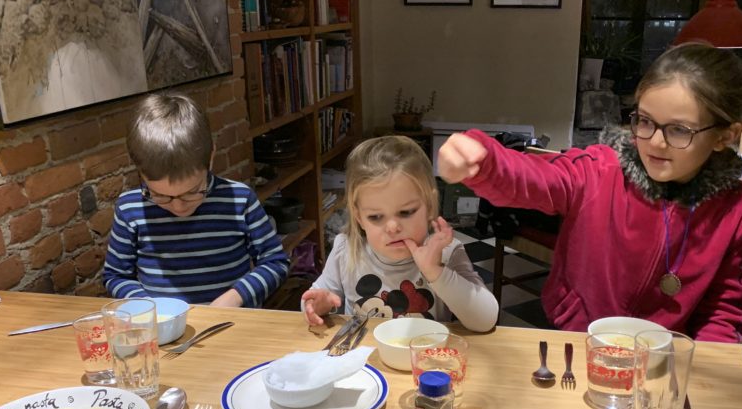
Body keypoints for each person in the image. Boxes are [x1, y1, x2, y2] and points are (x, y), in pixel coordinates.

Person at [437, 42, 742, 343]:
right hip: (581, 337)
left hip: (667, 355)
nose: (655, 141)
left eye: (679, 130)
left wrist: (706, 366)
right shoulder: (600, 170)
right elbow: (536, 177)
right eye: (645, 121)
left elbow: (724, 309)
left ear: (724, 136)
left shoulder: (737, 210)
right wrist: (484, 160)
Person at [104, 92, 290, 307]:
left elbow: (275, 262)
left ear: (210, 158)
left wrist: (235, 297)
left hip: (230, 320)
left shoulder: (239, 200)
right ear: (140, 172)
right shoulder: (130, 208)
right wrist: (147, 305)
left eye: (192, 192)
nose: (178, 206)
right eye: (160, 195)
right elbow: (115, 276)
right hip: (162, 323)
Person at [302, 136, 498, 332]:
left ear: (430, 205)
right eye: (375, 217)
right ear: (358, 216)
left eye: (406, 212)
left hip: (426, 350)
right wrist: (318, 304)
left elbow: (485, 320)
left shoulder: (446, 252)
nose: (392, 227)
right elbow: (312, 301)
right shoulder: (346, 249)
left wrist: (435, 271)